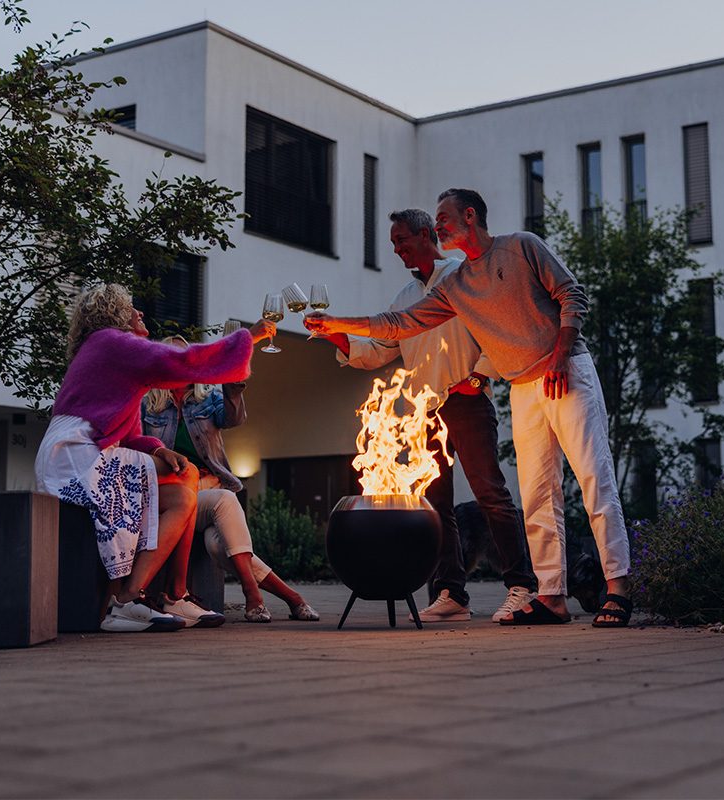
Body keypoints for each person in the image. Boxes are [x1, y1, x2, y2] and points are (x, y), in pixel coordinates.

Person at [306, 189, 632, 627]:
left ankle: (618, 590)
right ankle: (551, 597)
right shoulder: (456, 286)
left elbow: (572, 294)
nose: (438, 225)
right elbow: (400, 324)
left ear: (470, 216)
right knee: (537, 495)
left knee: (593, 478)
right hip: (521, 386)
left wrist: (557, 357)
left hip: (564, 370)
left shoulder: (521, 246)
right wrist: (336, 323)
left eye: (443, 217)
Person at [318, 209, 538, 623]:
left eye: (401, 240)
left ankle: (522, 586)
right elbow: (380, 350)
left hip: (467, 401)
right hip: (424, 412)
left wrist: (478, 376)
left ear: (425, 235)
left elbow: (498, 329)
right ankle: (450, 593)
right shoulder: (404, 298)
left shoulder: (463, 276)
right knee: (435, 506)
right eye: (393, 243)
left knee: (490, 495)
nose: (396, 249)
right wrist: (339, 338)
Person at [35, 283, 275, 632]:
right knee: (187, 474)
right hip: (75, 455)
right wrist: (246, 339)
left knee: (182, 491)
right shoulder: (111, 342)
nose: (140, 312)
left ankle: (162, 595)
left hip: (76, 452)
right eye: (132, 307)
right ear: (115, 314)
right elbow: (180, 362)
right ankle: (140, 596)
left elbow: (131, 435)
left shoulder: (105, 353)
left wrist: (160, 449)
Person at [142, 338, 319, 623]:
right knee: (225, 500)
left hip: (209, 488)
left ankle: (291, 597)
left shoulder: (208, 397)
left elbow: (233, 419)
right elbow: (140, 447)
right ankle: (256, 594)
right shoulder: (148, 405)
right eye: (173, 356)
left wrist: (232, 387)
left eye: (186, 356)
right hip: (175, 492)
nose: (181, 361)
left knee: (217, 546)